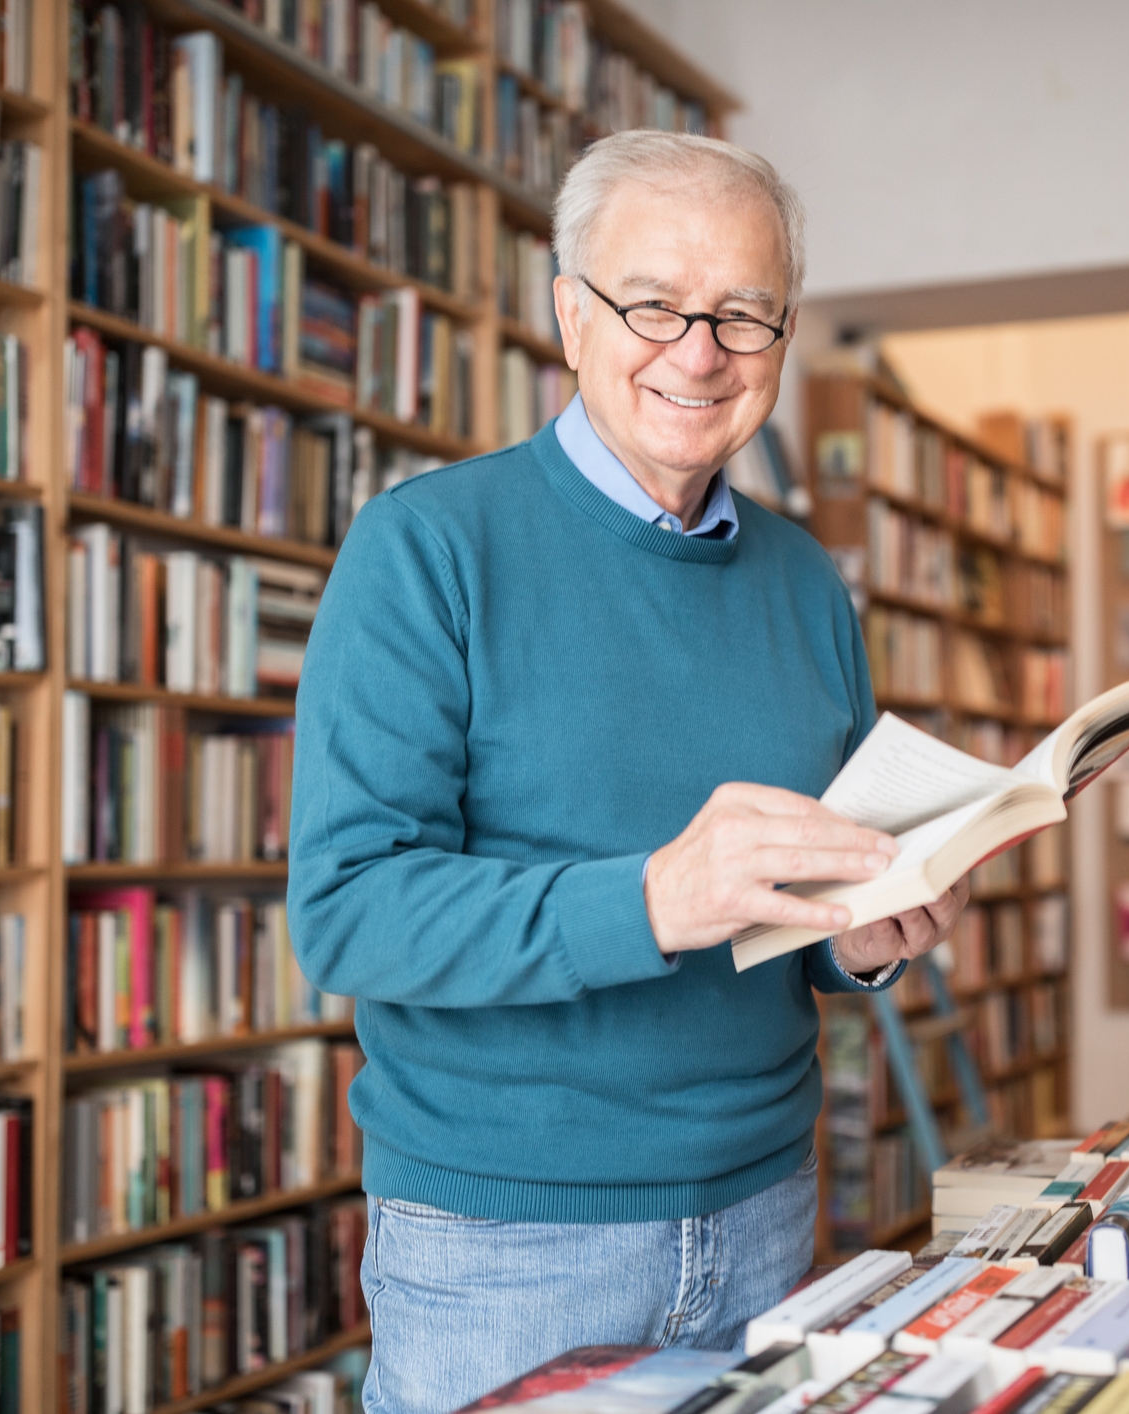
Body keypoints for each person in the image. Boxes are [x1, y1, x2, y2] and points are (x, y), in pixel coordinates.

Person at [288, 130, 969, 1412]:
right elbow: (349, 914)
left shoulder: (806, 582)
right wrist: (655, 897)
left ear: (780, 336)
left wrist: (873, 935)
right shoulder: (425, 550)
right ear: (570, 315)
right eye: (652, 303)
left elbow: (802, 916)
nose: (698, 350)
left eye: (743, 315)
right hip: (506, 1247)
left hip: (770, 1210)